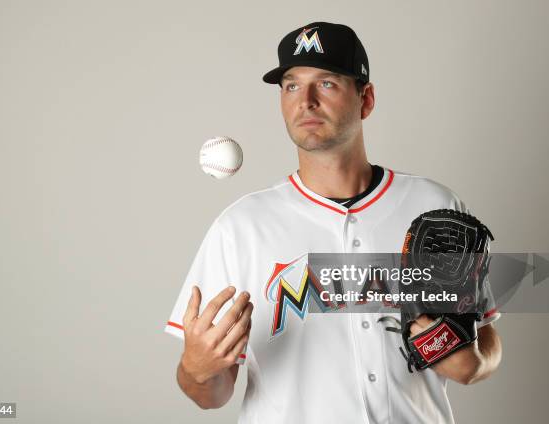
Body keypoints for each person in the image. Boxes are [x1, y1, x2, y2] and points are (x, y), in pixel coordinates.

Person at [164, 21, 502, 423]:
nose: (305, 100)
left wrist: (472, 360)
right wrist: (196, 370)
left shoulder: (434, 206)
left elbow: (486, 340)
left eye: (326, 83)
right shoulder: (241, 227)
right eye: (291, 85)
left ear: (366, 98)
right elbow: (211, 395)